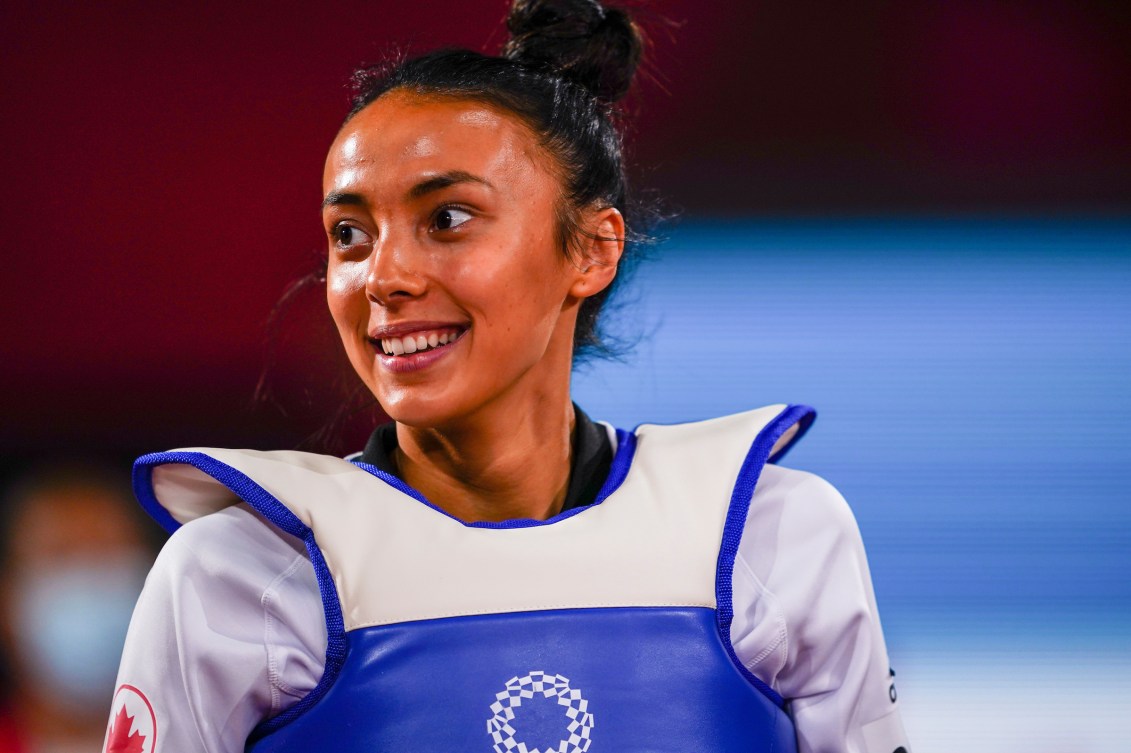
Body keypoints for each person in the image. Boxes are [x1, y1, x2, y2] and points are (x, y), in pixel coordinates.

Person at [106, 1, 911, 752]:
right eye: (349, 233)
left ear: (593, 250)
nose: (384, 274)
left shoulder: (772, 536)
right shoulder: (237, 569)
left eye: (447, 218)